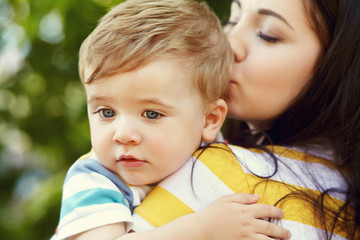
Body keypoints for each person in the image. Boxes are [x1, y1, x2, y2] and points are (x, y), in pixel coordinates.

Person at [52, 0, 291, 239]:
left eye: (152, 114)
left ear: (209, 120)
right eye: (107, 112)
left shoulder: (218, 157)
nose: (122, 134)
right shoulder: (95, 180)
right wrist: (203, 229)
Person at [132, 0, 360, 239]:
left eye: (267, 35)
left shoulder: (222, 171)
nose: (227, 43)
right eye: (232, 20)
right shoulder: (348, 203)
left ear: (338, 66)